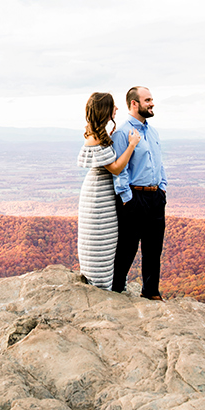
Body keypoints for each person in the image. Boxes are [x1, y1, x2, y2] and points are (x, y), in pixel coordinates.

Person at [76, 92, 140, 290]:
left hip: (102, 191)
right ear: (105, 110)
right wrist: (131, 145)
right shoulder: (96, 137)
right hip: (98, 195)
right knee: (99, 239)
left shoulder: (98, 133)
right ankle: (99, 284)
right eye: (113, 106)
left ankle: (106, 283)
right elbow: (115, 168)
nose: (117, 109)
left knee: (107, 238)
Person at [110, 86, 168, 300]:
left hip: (155, 196)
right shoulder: (122, 132)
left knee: (154, 249)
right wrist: (127, 198)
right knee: (127, 248)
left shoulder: (153, 132)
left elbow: (158, 162)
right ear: (134, 104)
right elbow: (120, 169)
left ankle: (151, 291)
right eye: (147, 100)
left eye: (151, 99)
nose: (152, 103)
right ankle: (116, 290)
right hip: (134, 197)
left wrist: (162, 188)